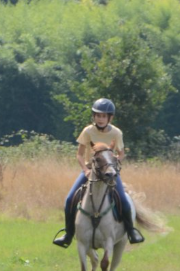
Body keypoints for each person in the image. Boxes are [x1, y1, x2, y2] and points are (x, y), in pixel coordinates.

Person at [52, 98, 145, 247]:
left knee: (124, 200)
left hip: (109, 171)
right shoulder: (88, 131)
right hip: (91, 170)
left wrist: (113, 164)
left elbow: (121, 154)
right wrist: (86, 170)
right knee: (70, 199)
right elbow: (80, 155)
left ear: (110, 118)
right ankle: (68, 235)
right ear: (94, 116)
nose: (100, 119)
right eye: (98, 115)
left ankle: (131, 232)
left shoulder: (116, 133)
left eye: (104, 116)